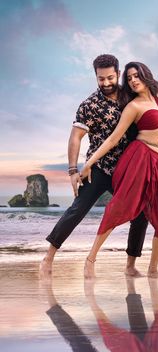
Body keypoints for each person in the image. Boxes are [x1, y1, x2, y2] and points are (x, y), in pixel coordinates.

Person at [39, 55, 150, 279]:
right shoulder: (89, 105)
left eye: (110, 77)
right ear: (95, 77)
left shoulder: (131, 96)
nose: (106, 83)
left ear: (118, 74)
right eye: (101, 79)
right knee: (77, 210)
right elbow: (75, 138)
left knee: (141, 214)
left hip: (128, 169)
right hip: (98, 168)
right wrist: (72, 170)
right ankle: (48, 257)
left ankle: (130, 265)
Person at [81, 61, 158, 278]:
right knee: (120, 207)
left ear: (146, 74)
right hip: (140, 158)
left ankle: (153, 268)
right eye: (129, 78)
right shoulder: (133, 106)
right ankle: (90, 259)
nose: (133, 80)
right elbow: (113, 139)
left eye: (136, 75)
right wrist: (88, 163)